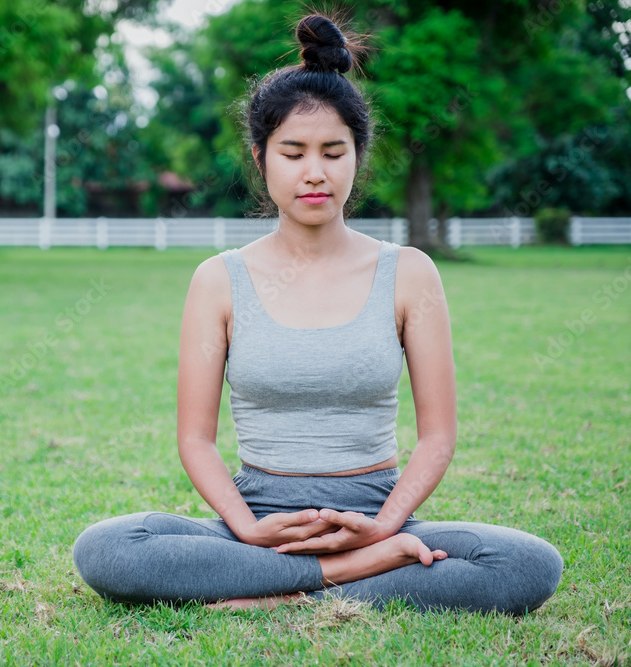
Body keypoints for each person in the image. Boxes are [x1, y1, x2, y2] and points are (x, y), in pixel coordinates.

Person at [72, 12, 563, 615]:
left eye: (334, 151)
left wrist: (384, 527)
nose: (314, 172)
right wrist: (248, 530)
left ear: (358, 155)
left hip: (376, 515)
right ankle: (345, 578)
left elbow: (438, 437)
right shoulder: (219, 280)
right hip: (256, 524)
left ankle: (277, 592)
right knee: (110, 548)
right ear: (261, 158)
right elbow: (195, 439)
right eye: (293, 152)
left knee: (528, 564)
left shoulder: (408, 273)